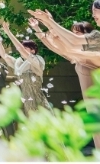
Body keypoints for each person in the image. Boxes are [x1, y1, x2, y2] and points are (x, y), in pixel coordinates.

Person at [29, 18, 100, 148]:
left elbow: (68, 48)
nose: (73, 36)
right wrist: (39, 29)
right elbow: (57, 49)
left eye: (77, 33)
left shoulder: (94, 53)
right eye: (72, 33)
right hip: (92, 106)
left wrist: (52, 26)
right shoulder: (78, 56)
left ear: (87, 35)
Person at [0, 23, 51, 115]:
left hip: (39, 99)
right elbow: (4, 55)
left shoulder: (37, 60)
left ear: (33, 50)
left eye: (25, 48)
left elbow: (20, 49)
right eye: (22, 48)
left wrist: (8, 32)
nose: (21, 50)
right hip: (27, 100)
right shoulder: (18, 62)